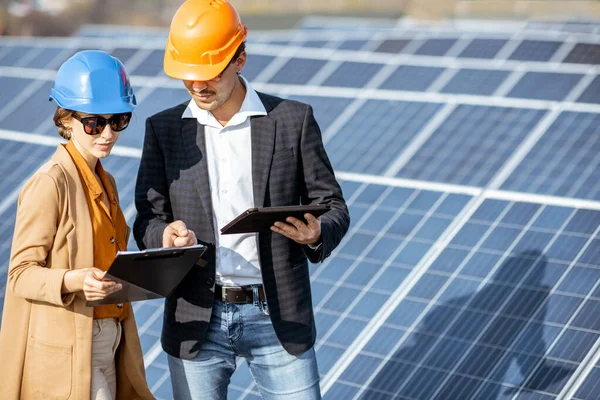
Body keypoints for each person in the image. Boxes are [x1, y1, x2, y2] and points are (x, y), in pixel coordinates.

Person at [133, 0, 350, 398]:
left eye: (210, 73)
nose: (198, 86)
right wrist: (164, 238)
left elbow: (334, 206)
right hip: (196, 316)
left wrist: (316, 233)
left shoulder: (292, 120)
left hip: (278, 316)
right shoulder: (163, 130)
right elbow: (147, 218)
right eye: (188, 76)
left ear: (240, 59)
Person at [0, 50, 154, 400]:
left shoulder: (107, 181)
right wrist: (74, 280)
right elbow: (20, 274)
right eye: (94, 123)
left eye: (118, 121)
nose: (107, 133)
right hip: (71, 346)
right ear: (66, 119)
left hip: (112, 338)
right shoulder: (49, 184)